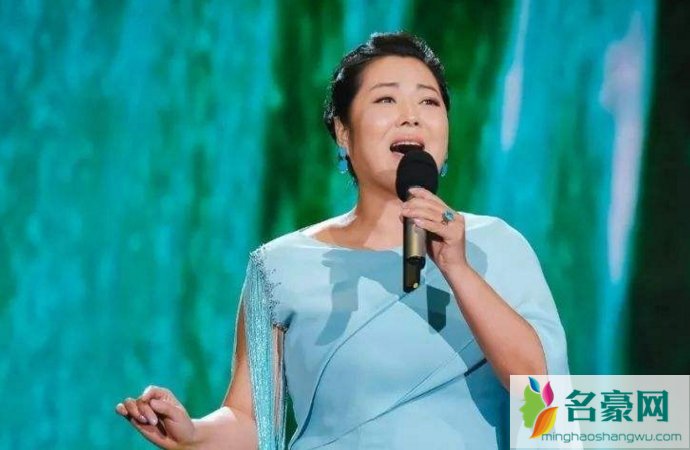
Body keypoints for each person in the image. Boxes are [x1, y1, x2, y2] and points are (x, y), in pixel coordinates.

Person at [115, 31, 569, 449]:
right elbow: (251, 420)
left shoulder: (498, 246)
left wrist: (457, 268)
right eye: (386, 99)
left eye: (429, 102)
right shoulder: (278, 267)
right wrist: (193, 435)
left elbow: (545, 392)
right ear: (343, 131)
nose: (411, 116)